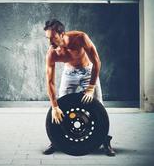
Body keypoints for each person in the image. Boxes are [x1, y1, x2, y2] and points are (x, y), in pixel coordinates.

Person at [43, 19, 115, 156]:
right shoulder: (52, 53)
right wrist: (54, 106)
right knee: (60, 107)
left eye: (53, 38)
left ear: (62, 34)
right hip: (69, 74)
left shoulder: (80, 38)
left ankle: (104, 140)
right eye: (48, 39)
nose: (50, 43)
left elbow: (97, 62)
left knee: (99, 106)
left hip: (88, 72)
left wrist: (91, 87)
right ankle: (56, 140)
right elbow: (50, 81)